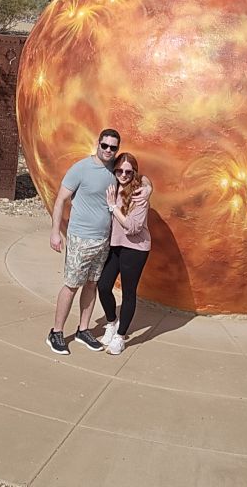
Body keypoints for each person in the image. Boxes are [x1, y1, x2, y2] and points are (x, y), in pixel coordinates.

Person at [47, 129, 151, 356]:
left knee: (93, 284)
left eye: (113, 147)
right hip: (80, 237)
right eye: (105, 145)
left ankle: (84, 329)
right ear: (98, 143)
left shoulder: (115, 169)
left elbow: (139, 176)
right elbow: (61, 200)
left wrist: (149, 186)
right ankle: (56, 332)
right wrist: (55, 232)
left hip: (104, 240)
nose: (108, 151)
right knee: (72, 284)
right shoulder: (81, 168)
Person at [97, 152, 151, 355]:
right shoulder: (113, 186)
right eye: (119, 170)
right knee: (103, 286)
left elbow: (133, 227)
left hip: (135, 249)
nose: (123, 174)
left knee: (129, 292)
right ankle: (111, 322)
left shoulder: (139, 193)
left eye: (128, 171)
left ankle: (120, 336)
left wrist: (113, 207)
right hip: (115, 246)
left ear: (134, 172)